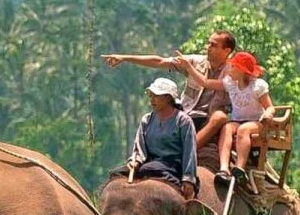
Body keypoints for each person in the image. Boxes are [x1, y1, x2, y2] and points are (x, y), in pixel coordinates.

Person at [101, 30, 236, 168]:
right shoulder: (195, 61)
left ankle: (185, 152)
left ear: (226, 50)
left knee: (220, 117)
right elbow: (160, 61)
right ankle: (138, 157)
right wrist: (124, 58)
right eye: (208, 43)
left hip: (208, 119)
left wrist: (189, 68)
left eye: (213, 45)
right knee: (152, 116)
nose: (208, 47)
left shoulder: (233, 72)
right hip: (186, 114)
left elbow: (212, 84)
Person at [177, 51, 274, 191]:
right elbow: (205, 82)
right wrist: (188, 67)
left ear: (241, 70)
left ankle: (239, 167)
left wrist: (268, 114)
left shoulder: (257, 86)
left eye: (233, 66)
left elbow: (269, 107)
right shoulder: (230, 84)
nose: (230, 69)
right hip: (237, 120)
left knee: (243, 130)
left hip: (256, 122)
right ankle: (224, 168)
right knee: (227, 128)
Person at [111, 78, 198, 200]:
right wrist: (135, 161)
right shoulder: (146, 120)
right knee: (116, 174)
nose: (152, 99)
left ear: (168, 98)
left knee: (149, 169)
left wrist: (188, 178)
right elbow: (139, 147)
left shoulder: (183, 121)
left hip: (172, 165)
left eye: (156, 96)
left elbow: (190, 151)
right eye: (150, 96)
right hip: (149, 163)